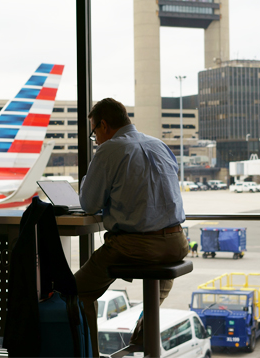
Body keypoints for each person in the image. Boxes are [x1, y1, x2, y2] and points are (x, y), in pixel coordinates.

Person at [75, 98, 188, 356]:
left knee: (75, 293)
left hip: (134, 246)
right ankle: (142, 342)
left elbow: (89, 203)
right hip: (176, 243)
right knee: (159, 284)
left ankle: (89, 354)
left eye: (94, 134)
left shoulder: (110, 150)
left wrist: (88, 180)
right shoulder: (159, 145)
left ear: (103, 125)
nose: (96, 141)